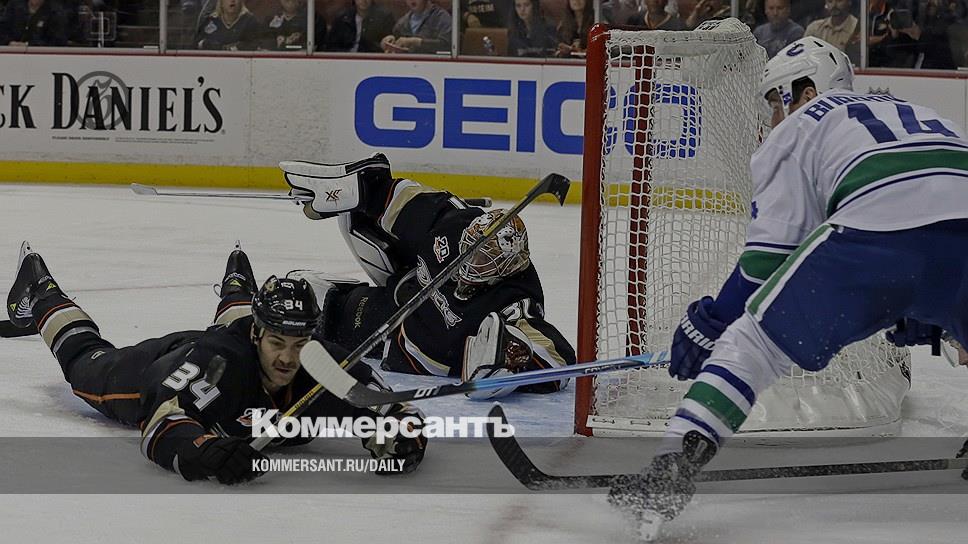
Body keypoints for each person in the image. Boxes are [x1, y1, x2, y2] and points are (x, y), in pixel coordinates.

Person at [606, 36, 968, 539]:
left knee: (751, 344)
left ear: (805, 91)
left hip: (878, 229)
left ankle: (668, 474)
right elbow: (939, 218)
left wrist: (711, 324)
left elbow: (765, 265)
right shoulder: (922, 113)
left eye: (776, 102)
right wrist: (931, 309)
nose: (774, 118)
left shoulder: (802, 125)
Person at [5, 241, 427, 484]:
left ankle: (238, 283)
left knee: (240, 334)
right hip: (162, 365)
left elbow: (395, 410)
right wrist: (205, 452)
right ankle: (40, 291)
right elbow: (162, 422)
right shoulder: (218, 365)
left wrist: (401, 438)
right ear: (258, 334)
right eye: (277, 342)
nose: (288, 357)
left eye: (300, 344)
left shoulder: (328, 368)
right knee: (85, 365)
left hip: (234, 343)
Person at [280, 154, 577, 399]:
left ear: (507, 267)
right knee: (309, 300)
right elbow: (402, 199)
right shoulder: (453, 224)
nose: (470, 263)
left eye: (483, 261)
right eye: (469, 251)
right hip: (399, 304)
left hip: (409, 348)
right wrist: (357, 190)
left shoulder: (517, 299)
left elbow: (559, 358)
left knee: (320, 335)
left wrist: (516, 357)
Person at [380, 0, 452, 54]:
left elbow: (447, 45)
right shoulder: (403, 22)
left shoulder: (441, 17)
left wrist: (417, 42)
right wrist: (388, 42)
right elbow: (396, 40)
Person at [326, 0, 395, 52]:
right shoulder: (342, 18)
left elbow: (388, 45)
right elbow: (331, 46)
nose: (364, 0)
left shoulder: (384, 18)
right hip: (345, 60)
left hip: (371, 60)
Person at [194, 0, 262, 51]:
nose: (232, 1)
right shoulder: (211, 20)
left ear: (241, 2)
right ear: (221, 2)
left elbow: (254, 44)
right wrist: (214, 46)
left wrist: (234, 48)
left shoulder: (249, 21)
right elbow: (197, 43)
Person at [0, 0, 68, 46]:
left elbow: (58, 41)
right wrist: (9, 42)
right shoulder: (14, 5)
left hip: (42, 56)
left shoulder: (56, 11)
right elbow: (2, 29)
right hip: (11, 53)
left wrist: (29, 45)